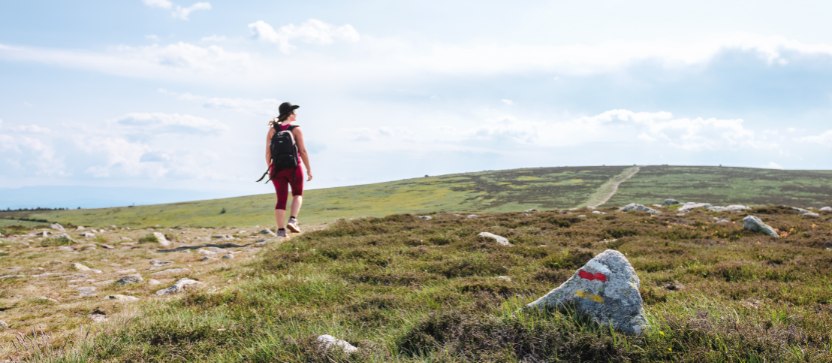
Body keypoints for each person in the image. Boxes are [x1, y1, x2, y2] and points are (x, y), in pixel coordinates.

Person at [266, 102, 312, 238]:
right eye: (294, 112)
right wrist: (309, 169)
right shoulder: (296, 129)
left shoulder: (272, 130)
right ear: (290, 114)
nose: (296, 114)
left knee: (281, 199)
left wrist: (270, 168)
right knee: (297, 194)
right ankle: (292, 220)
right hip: (294, 167)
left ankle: (280, 231)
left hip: (276, 168)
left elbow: (268, 153)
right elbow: (302, 151)